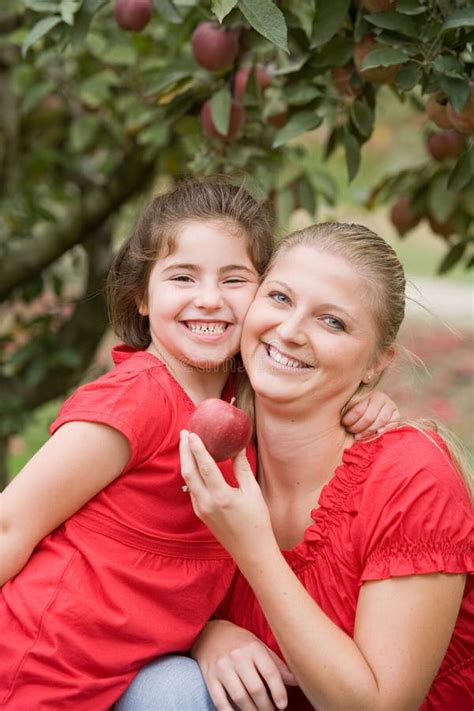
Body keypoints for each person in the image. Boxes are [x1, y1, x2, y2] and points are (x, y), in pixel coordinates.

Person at [0, 185, 398, 710]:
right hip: (39, 668)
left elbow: (323, 388)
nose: (209, 298)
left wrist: (370, 400)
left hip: (125, 673)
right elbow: (11, 524)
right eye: (182, 277)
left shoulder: (249, 401)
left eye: (234, 280)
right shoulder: (135, 402)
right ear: (142, 297)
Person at [117, 222, 473, 711]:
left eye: (333, 322)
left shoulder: (412, 477)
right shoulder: (209, 443)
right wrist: (207, 636)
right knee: (166, 687)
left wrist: (254, 548)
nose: (289, 331)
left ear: (376, 364)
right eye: (280, 298)